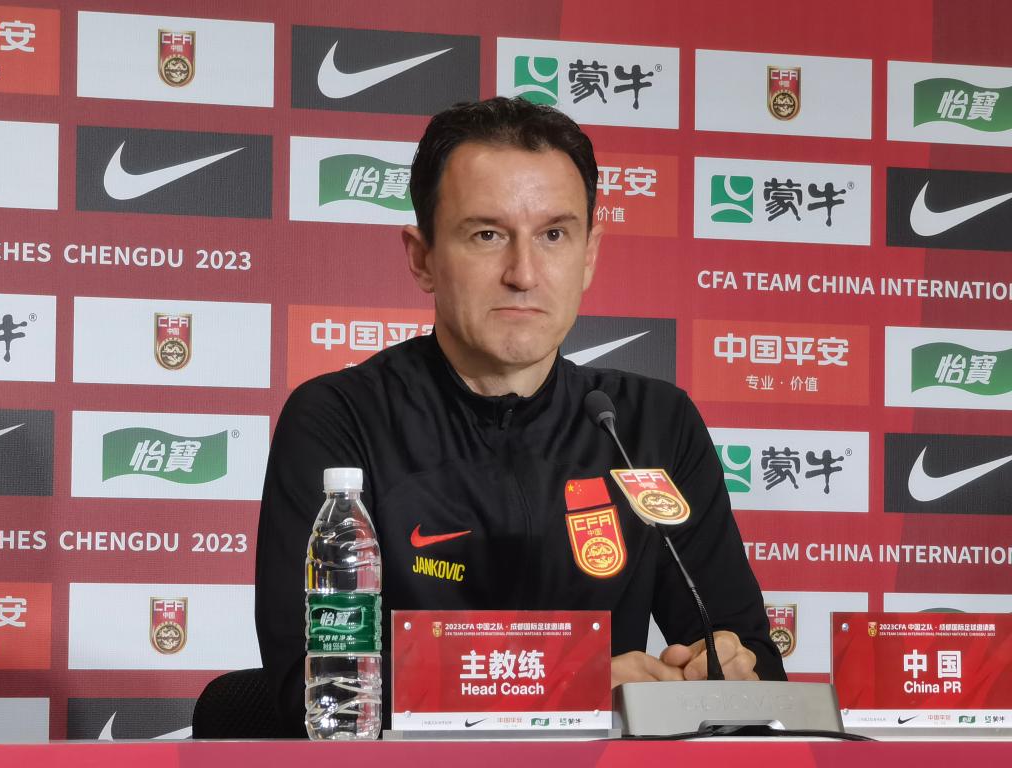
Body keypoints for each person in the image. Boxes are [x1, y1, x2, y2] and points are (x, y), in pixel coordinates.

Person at [256, 96, 785, 737]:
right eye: (487, 235)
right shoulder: (339, 420)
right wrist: (571, 687)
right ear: (422, 258)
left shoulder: (651, 423)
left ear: (589, 254)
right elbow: (320, 690)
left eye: (554, 235)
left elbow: (755, 666)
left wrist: (724, 668)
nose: (524, 273)